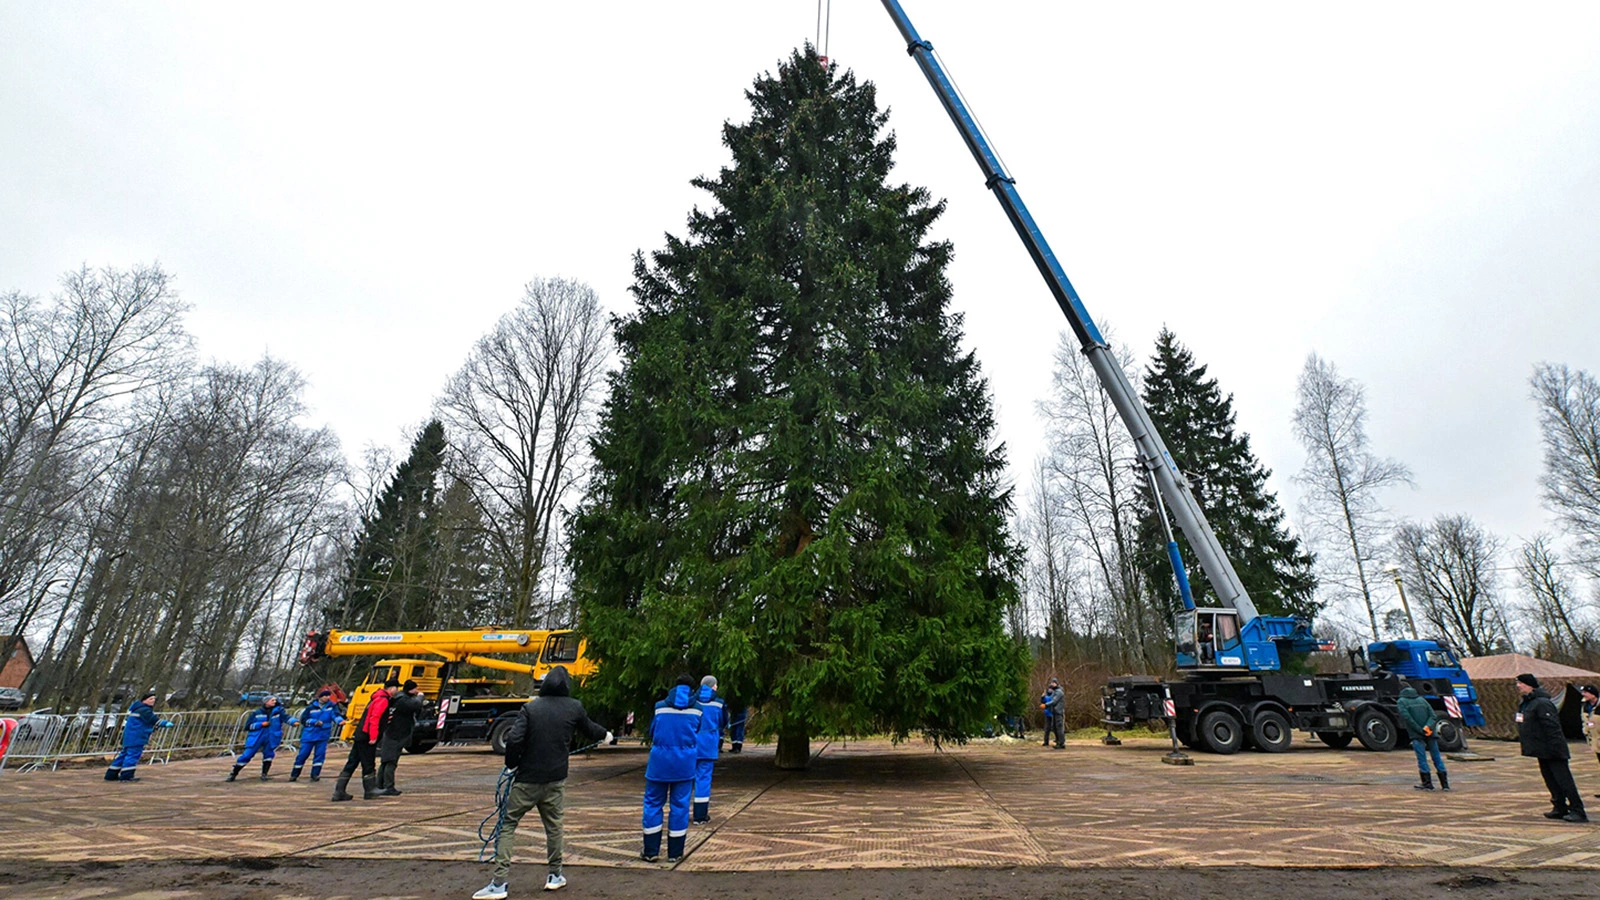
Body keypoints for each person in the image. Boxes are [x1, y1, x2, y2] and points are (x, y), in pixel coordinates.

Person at [474, 665, 611, 899]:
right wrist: (606, 736)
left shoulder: (531, 707)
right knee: (554, 827)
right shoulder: (574, 707)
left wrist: (512, 764)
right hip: (555, 780)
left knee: (507, 825)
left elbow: (514, 739)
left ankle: (499, 884)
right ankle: (555, 875)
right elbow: (590, 729)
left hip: (526, 780)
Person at [641, 674, 701, 863]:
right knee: (680, 807)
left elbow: (652, 731)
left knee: (653, 804)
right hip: (684, 765)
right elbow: (697, 731)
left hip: (659, 764)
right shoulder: (698, 710)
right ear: (692, 689)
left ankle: (651, 851)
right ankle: (675, 853)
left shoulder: (660, 707)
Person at [1516, 673, 1586, 823]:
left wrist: (1556, 748)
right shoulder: (1528, 702)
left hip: (1552, 749)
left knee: (1564, 781)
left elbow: (1552, 727)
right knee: (1550, 780)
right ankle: (1559, 807)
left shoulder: (1542, 703)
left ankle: (1577, 810)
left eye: (1520, 683)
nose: (1518, 686)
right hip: (1541, 749)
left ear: (1529, 685)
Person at [332, 678, 395, 801]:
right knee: (368, 763)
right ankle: (370, 790)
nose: (397, 691)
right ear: (392, 688)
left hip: (360, 734)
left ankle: (339, 791)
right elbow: (374, 718)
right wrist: (373, 737)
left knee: (352, 762)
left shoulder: (375, 698)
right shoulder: (383, 700)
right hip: (367, 736)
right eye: (396, 688)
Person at [104, 691, 173, 782]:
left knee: (123, 755)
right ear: (144, 700)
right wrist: (165, 723)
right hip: (137, 736)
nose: (153, 701)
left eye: (154, 699)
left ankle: (111, 774)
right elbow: (153, 720)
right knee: (132, 755)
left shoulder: (136, 708)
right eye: (150, 699)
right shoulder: (144, 710)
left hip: (129, 735)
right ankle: (127, 776)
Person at [1396, 684, 1449, 791]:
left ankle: (1427, 783)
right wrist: (1427, 727)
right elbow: (1432, 715)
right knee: (1437, 757)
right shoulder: (1422, 700)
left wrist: (1420, 730)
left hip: (1417, 734)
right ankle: (1445, 785)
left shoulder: (1401, 701)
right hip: (1430, 733)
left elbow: (1408, 718)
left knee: (1422, 759)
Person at [378, 678, 425, 797]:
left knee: (386, 761)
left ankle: (380, 786)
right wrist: (420, 697)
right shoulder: (402, 700)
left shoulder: (396, 698)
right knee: (391, 761)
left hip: (391, 733)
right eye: (415, 689)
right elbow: (415, 705)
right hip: (396, 735)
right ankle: (388, 787)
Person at [229, 695, 290, 781]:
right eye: (272, 700)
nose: (275, 702)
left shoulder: (278, 712)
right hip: (257, 737)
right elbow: (247, 726)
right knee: (247, 755)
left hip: (270, 737)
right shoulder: (257, 713)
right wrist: (261, 724)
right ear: (266, 702)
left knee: (269, 755)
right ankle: (234, 773)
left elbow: (286, 718)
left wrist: (293, 722)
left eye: (275, 700)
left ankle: (264, 774)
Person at [290, 690, 344, 782]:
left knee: (320, 755)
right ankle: (294, 774)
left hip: (323, 734)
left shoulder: (332, 706)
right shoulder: (311, 707)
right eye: (325, 696)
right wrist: (314, 722)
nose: (327, 697)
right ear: (320, 697)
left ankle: (315, 774)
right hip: (309, 735)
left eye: (328, 696)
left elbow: (335, 715)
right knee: (303, 754)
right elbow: (304, 720)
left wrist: (340, 721)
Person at [692, 675, 725, 823]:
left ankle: (681, 815)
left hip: (691, 744)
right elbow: (723, 722)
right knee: (704, 780)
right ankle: (700, 815)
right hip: (708, 745)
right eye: (715, 685)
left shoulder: (692, 701)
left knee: (686, 780)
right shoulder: (719, 703)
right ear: (712, 686)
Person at [1582, 684, 1600, 798]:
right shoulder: (1585, 706)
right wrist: (1585, 730)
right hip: (1595, 740)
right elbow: (1586, 720)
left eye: (1586, 692)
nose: (1584, 694)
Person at [1043, 678, 1065, 749]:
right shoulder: (1055, 691)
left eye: (1053, 683)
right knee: (1054, 727)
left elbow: (1054, 701)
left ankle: (1061, 743)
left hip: (1058, 712)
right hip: (1054, 712)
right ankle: (1058, 742)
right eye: (1051, 683)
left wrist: (1046, 705)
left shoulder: (1059, 692)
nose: (1052, 684)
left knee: (1059, 728)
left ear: (1056, 683)